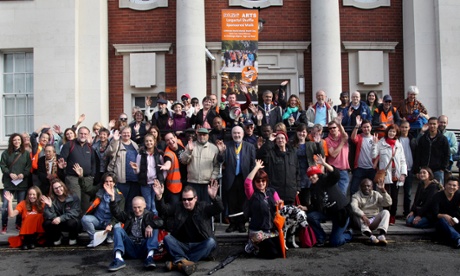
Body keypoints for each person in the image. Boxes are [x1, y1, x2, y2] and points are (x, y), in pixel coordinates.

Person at [154, 182, 224, 275]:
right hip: (182, 245)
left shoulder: (203, 207)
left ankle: (179, 262)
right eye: (184, 199)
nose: (186, 202)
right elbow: (164, 210)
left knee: (211, 242)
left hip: (199, 245)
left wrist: (215, 198)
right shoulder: (178, 206)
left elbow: (219, 208)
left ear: (196, 198)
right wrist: (159, 197)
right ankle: (185, 262)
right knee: (167, 238)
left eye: (190, 199)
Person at [107, 192, 162, 271]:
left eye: (139, 207)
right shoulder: (129, 214)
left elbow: (161, 222)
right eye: (134, 207)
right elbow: (117, 213)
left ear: (144, 206)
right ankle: (118, 259)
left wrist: (151, 226)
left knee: (155, 229)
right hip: (130, 246)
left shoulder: (150, 215)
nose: (137, 210)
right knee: (118, 229)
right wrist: (112, 198)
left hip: (144, 247)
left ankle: (150, 257)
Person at [306, 155, 352, 247]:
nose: (311, 177)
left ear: (318, 174)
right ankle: (321, 237)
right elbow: (316, 206)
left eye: (313, 175)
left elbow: (336, 174)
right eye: (309, 176)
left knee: (335, 242)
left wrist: (324, 164)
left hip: (341, 213)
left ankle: (349, 234)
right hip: (328, 213)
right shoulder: (313, 188)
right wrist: (306, 207)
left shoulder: (326, 180)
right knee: (311, 216)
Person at [217, 126, 256, 233]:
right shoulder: (227, 146)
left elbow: (253, 164)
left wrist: (251, 179)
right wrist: (220, 152)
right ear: (232, 134)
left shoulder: (250, 146)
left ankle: (242, 223)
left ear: (243, 134)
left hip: (244, 178)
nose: (237, 135)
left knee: (243, 202)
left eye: (239, 133)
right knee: (232, 202)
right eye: (235, 133)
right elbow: (220, 161)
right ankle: (233, 223)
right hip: (231, 178)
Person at [243, 159, 284, 258]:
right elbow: (247, 182)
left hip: (271, 230)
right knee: (271, 254)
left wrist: (280, 204)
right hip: (257, 230)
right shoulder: (252, 194)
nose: (261, 183)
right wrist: (256, 168)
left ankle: (259, 246)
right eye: (258, 181)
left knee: (279, 253)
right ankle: (253, 246)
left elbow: (280, 206)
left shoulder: (272, 191)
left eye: (263, 181)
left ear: (266, 181)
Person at [372, 124, 407, 225]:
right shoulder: (381, 142)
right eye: (390, 131)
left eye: (394, 132)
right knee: (385, 195)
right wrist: (374, 144)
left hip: (396, 172)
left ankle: (392, 216)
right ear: (387, 132)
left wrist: (403, 173)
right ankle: (385, 216)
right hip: (385, 173)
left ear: (396, 133)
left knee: (395, 196)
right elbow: (374, 155)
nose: (392, 133)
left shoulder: (398, 144)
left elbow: (402, 159)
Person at [81, 172, 125, 248]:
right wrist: (81, 176)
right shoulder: (99, 190)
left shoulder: (120, 196)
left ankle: (110, 236)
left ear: (114, 183)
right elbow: (87, 189)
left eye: (111, 181)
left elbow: (119, 214)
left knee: (117, 226)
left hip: (109, 222)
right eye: (106, 181)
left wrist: (111, 224)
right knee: (85, 219)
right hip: (98, 219)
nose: (108, 183)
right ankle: (95, 238)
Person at [1, 133, 32, 234]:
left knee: (20, 205)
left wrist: (24, 174)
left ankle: (18, 223)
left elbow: (28, 167)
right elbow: (3, 166)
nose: (17, 142)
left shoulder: (26, 153)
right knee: (5, 206)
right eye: (14, 140)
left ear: (21, 141)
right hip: (9, 183)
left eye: (18, 140)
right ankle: (4, 225)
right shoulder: (5, 153)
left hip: (21, 183)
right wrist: (9, 173)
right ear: (11, 141)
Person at [257, 131, 299, 205]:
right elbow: (260, 155)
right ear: (275, 141)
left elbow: (297, 172)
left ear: (286, 140)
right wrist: (269, 141)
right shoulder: (271, 154)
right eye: (278, 138)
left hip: (290, 193)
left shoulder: (292, 154)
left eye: (282, 138)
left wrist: (298, 188)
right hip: (276, 193)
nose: (280, 140)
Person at [59, 126, 96, 211]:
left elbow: (93, 163)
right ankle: (75, 222)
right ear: (77, 134)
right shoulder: (69, 145)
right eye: (81, 133)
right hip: (73, 178)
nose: (83, 135)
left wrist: (92, 176)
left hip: (87, 179)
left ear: (88, 135)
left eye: (85, 134)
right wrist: (62, 165)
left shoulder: (90, 148)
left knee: (86, 203)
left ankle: (83, 222)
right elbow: (62, 159)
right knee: (76, 201)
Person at [180, 128, 220, 203]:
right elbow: (183, 161)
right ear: (197, 135)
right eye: (200, 134)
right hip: (192, 182)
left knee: (206, 206)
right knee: (193, 206)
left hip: (207, 184)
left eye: (204, 135)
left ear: (208, 136)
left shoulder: (214, 148)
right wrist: (189, 151)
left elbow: (217, 165)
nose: (202, 136)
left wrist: (213, 177)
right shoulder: (190, 145)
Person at [106, 126, 139, 212]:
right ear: (120, 133)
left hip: (134, 179)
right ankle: (119, 222)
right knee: (121, 202)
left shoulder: (134, 144)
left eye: (128, 132)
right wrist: (114, 140)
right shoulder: (117, 143)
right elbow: (109, 152)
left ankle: (129, 222)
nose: (126, 134)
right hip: (121, 179)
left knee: (131, 203)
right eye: (124, 132)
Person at [130, 134, 165, 214]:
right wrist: (135, 169)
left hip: (156, 183)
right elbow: (138, 170)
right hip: (145, 183)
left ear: (154, 141)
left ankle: (155, 221)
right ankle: (147, 221)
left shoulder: (158, 154)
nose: (149, 143)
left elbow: (163, 168)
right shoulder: (140, 154)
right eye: (147, 141)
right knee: (148, 204)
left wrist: (162, 179)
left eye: (150, 141)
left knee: (154, 205)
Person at [291, 123, 324, 207]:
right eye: (300, 131)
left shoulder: (311, 144)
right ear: (296, 132)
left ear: (306, 133)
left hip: (308, 175)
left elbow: (321, 154)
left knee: (307, 199)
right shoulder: (291, 144)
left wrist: (318, 143)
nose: (302, 134)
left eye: (304, 132)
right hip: (296, 175)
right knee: (297, 200)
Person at [351, 178, 392, 245]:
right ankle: (371, 236)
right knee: (355, 215)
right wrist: (363, 215)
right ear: (361, 187)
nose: (366, 188)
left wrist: (383, 190)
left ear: (372, 187)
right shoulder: (356, 196)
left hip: (373, 220)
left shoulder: (376, 194)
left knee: (386, 212)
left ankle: (382, 235)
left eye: (368, 186)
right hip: (362, 220)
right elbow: (353, 206)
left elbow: (388, 203)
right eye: (364, 186)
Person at [41, 179, 81, 246]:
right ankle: (57, 237)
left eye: (60, 187)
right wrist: (50, 206)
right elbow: (48, 216)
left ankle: (73, 237)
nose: (58, 189)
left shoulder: (73, 196)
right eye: (56, 188)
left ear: (63, 186)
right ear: (53, 190)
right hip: (58, 223)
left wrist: (60, 218)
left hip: (71, 221)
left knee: (71, 222)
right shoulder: (51, 199)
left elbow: (75, 212)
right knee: (46, 223)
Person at [413, 117, 450, 185]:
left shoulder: (443, 139)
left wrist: (443, 168)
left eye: (434, 124)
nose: (432, 126)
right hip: (424, 170)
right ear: (428, 125)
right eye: (430, 124)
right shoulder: (423, 139)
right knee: (424, 191)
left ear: (438, 124)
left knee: (438, 191)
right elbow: (418, 154)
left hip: (437, 170)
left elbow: (447, 154)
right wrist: (417, 170)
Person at [349, 117, 376, 195]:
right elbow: (353, 138)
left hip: (371, 168)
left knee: (373, 191)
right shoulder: (359, 137)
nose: (366, 129)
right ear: (362, 128)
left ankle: (372, 206)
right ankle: (353, 206)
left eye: (368, 127)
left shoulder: (375, 138)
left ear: (371, 127)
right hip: (360, 168)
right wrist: (357, 125)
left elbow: (378, 153)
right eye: (364, 127)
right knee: (353, 189)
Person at [431, 176, 460, 248]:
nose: (451, 187)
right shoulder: (437, 196)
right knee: (442, 221)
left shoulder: (458, 195)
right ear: (445, 185)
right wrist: (445, 216)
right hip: (441, 222)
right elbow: (434, 213)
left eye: (454, 185)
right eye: (449, 185)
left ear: (457, 187)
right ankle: (458, 238)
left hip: (455, 221)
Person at [160, 132, 187, 206]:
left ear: (176, 138)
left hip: (187, 181)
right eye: (167, 140)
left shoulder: (181, 143)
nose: (170, 141)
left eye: (171, 138)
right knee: (175, 206)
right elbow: (168, 161)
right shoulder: (167, 154)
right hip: (174, 185)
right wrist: (166, 166)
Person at [324, 119, 350, 196]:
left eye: (334, 127)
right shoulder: (327, 140)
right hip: (332, 170)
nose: (332, 129)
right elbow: (333, 154)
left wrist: (340, 124)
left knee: (342, 194)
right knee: (332, 194)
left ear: (338, 128)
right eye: (330, 128)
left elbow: (345, 135)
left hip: (343, 170)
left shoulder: (342, 136)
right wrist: (342, 142)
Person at [398, 120, 417, 217]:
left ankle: (406, 213)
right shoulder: (396, 139)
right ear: (400, 128)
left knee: (408, 193)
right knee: (394, 192)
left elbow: (417, 154)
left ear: (409, 128)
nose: (404, 129)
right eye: (402, 127)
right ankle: (392, 213)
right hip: (397, 170)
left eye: (406, 127)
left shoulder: (412, 139)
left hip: (409, 169)